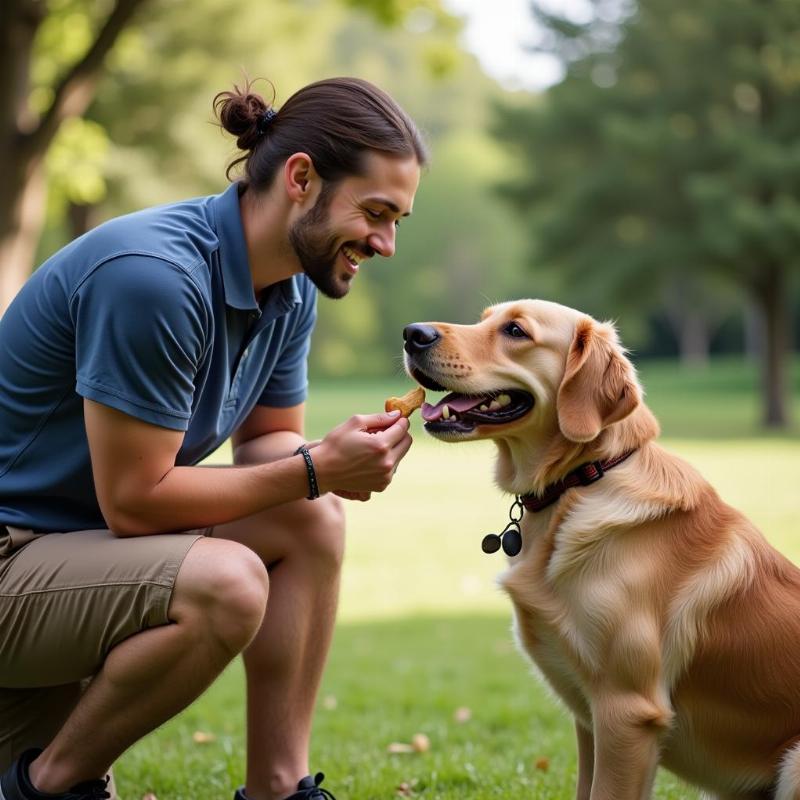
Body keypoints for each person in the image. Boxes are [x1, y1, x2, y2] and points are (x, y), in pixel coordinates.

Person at [0, 76, 427, 800]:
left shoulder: (287, 285)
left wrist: (327, 464)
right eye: (376, 213)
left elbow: (269, 449)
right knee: (228, 584)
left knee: (312, 515)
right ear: (301, 179)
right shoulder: (155, 278)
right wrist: (319, 467)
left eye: (398, 221)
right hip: (17, 557)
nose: (385, 243)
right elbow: (136, 503)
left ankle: (279, 788)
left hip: (77, 562)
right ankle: (49, 786)